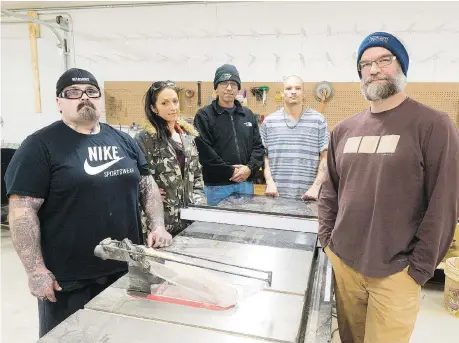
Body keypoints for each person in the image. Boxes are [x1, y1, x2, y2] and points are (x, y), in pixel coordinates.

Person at [318, 32, 459, 343]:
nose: (373, 69)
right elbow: (329, 190)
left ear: (401, 67)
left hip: (397, 271)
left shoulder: (433, 125)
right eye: (365, 64)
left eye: (384, 60)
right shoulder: (344, 129)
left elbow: (443, 203)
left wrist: (418, 270)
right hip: (345, 262)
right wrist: (328, 241)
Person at [5, 68, 171, 338]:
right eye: (73, 93)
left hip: (125, 270)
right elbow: (22, 210)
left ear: (100, 99)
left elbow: (147, 185)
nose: (84, 97)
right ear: (59, 102)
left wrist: (158, 226)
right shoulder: (40, 146)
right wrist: (35, 270)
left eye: (92, 92)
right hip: (69, 280)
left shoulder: (123, 141)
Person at [135, 81, 204, 236]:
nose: (172, 107)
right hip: (160, 223)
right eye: (164, 103)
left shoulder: (187, 136)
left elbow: (197, 175)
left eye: (175, 101)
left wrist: (199, 204)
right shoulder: (145, 139)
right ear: (154, 108)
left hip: (189, 219)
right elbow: (134, 177)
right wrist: (147, 192)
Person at [194, 64, 265, 205]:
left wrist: (249, 169)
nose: (229, 88)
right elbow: (205, 153)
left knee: (245, 226)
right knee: (216, 226)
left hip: (245, 184)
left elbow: (258, 148)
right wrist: (230, 171)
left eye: (233, 84)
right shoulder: (204, 116)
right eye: (224, 83)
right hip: (217, 187)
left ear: (238, 88)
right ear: (216, 87)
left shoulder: (248, 115)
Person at [260, 75, 329, 199]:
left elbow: (325, 158)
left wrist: (316, 187)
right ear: (282, 93)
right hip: (276, 195)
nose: (293, 92)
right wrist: (269, 183)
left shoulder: (318, 120)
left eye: (298, 88)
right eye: (289, 88)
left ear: (303, 93)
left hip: (309, 196)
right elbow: (265, 157)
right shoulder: (269, 122)